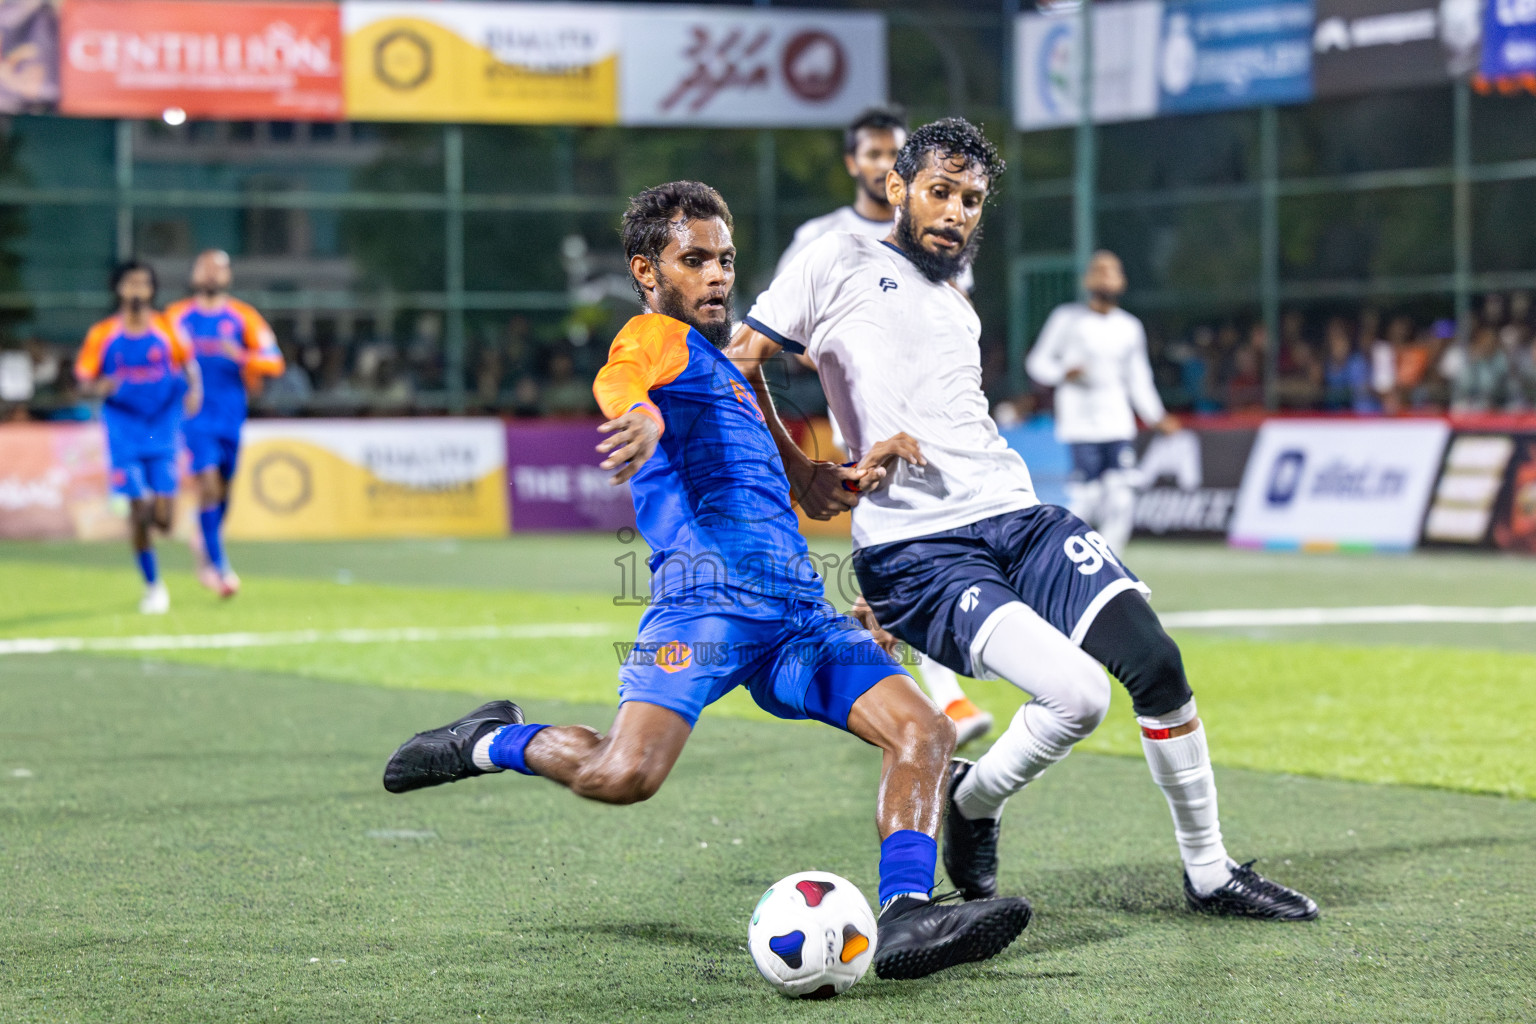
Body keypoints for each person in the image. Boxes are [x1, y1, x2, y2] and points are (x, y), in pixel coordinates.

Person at [382, 181, 1032, 980]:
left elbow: (772, 454)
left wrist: (821, 479)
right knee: (623, 776)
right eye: (695, 260)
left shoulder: (729, 369)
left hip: (797, 613)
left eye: (725, 259)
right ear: (648, 271)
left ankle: (905, 913)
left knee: (925, 731)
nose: (718, 275)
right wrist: (640, 414)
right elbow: (620, 378)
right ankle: (487, 739)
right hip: (705, 609)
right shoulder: (655, 337)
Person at [732, 118, 1318, 921]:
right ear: (899, 188)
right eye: (940, 192)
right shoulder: (834, 259)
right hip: (918, 548)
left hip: (1016, 511)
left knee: (1157, 666)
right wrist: (804, 472)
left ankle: (1207, 871)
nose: (956, 212)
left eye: (971, 200)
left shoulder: (958, 302)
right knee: (1078, 699)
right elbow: (738, 365)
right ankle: (972, 810)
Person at [774, 106, 991, 745]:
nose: (878, 162)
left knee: (917, 539)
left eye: (890, 151)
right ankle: (937, 692)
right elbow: (785, 324)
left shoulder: (936, 234)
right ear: (856, 164)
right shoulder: (826, 235)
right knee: (912, 536)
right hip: (866, 409)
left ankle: (880, 643)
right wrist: (838, 348)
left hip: (932, 414)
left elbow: (952, 317)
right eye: (869, 153)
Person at [1025, 250, 1178, 555]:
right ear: (1087, 279)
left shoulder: (1129, 327)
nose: (1107, 276)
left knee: (1122, 497)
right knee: (1088, 500)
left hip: (1117, 422)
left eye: (1113, 271)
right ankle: (1068, 561)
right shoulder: (1066, 318)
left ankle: (1110, 565)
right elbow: (1037, 362)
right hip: (1080, 423)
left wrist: (1156, 416)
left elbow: (1139, 378)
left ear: (1122, 280)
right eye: (1100, 270)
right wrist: (1062, 372)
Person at [74, 261, 201, 614]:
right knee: (139, 509)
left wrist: (195, 391)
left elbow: (189, 366)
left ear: (152, 290)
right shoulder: (102, 333)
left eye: (144, 284)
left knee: (164, 518)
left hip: (162, 425)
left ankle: (155, 520)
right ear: (118, 288)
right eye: (130, 283)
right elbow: (83, 379)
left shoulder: (168, 328)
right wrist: (97, 386)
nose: (137, 290)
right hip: (124, 429)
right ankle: (153, 585)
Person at [165, 250, 283, 598]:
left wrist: (244, 357)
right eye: (207, 268)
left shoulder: (244, 318)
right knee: (208, 483)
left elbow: (274, 361)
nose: (214, 274)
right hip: (194, 416)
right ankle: (220, 568)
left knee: (224, 487)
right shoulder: (176, 317)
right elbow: (158, 357)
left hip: (231, 415)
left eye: (221, 269)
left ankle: (205, 540)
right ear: (195, 273)